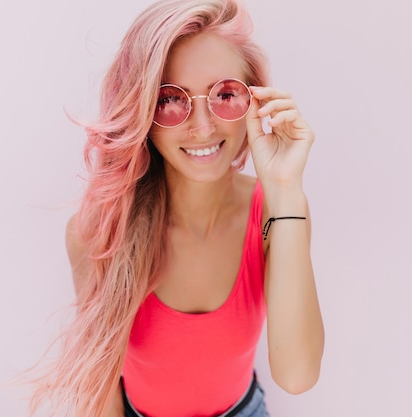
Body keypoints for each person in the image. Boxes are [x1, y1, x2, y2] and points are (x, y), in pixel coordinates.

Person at [29, 0, 324, 416]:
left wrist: (285, 188)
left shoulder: (278, 210)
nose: (202, 126)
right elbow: (100, 394)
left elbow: (298, 376)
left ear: (255, 103)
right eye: (170, 99)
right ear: (142, 112)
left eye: (225, 94)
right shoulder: (97, 231)